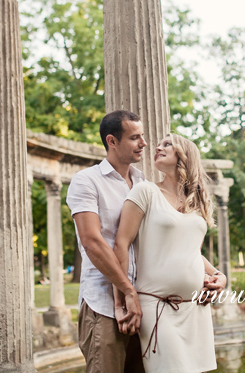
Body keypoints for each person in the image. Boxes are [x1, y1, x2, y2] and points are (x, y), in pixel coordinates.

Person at [113, 133, 225, 373]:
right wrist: (122, 298)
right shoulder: (145, 192)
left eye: (167, 144)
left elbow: (191, 250)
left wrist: (218, 274)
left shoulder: (197, 201)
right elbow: (121, 244)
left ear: (184, 155)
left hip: (196, 309)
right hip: (158, 306)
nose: (157, 147)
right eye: (159, 144)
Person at [66, 110, 147, 373]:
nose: (143, 143)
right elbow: (92, 242)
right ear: (112, 141)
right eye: (135, 138)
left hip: (142, 306)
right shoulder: (86, 181)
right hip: (102, 305)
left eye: (142, 136)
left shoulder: (142, 182)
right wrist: (127, 291)